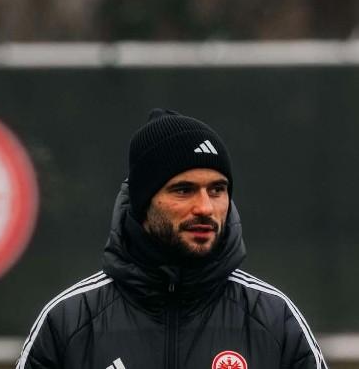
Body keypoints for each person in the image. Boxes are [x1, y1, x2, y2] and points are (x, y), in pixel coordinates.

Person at [16, 109, 327, 369]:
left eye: (217, 190)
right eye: (183, 190)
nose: (205, 207)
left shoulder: (273, 319)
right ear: (143, 203)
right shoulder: (69, 322)